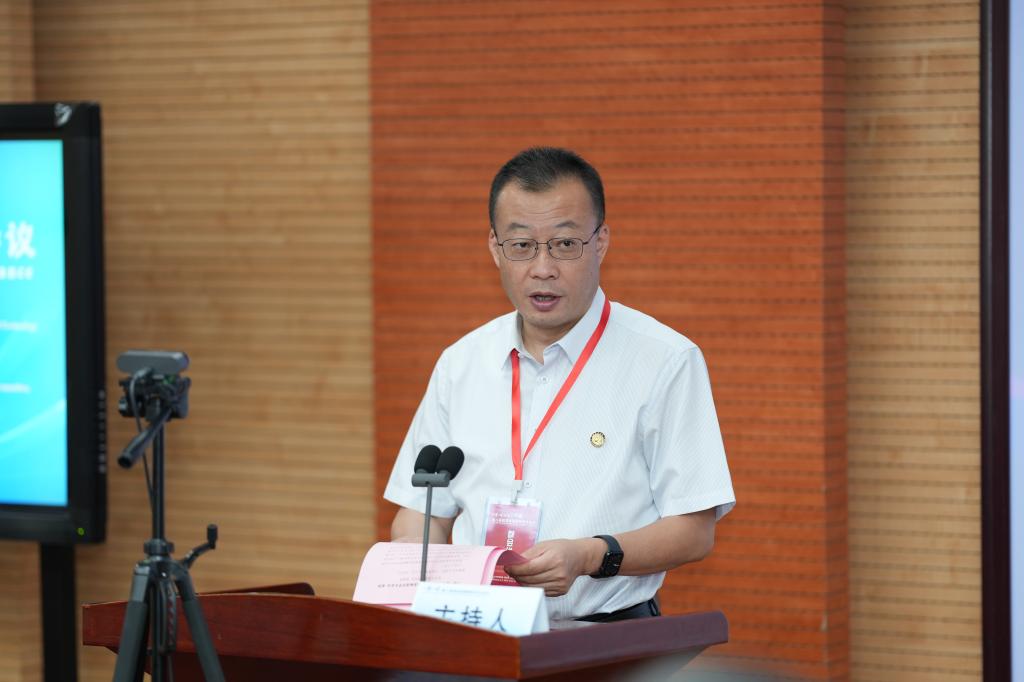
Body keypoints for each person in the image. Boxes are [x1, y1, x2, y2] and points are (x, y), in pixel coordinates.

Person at [383, 147, 734, 622]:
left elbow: (694, 530)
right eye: (521, 245)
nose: (543, 267)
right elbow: (420, 510)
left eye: (565, 244)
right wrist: (414, 558)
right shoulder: (460, 363)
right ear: (495, 249)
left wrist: (589, 555)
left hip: (604, 635)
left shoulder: (664, 360)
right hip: (476, 628)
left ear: (601, 242)